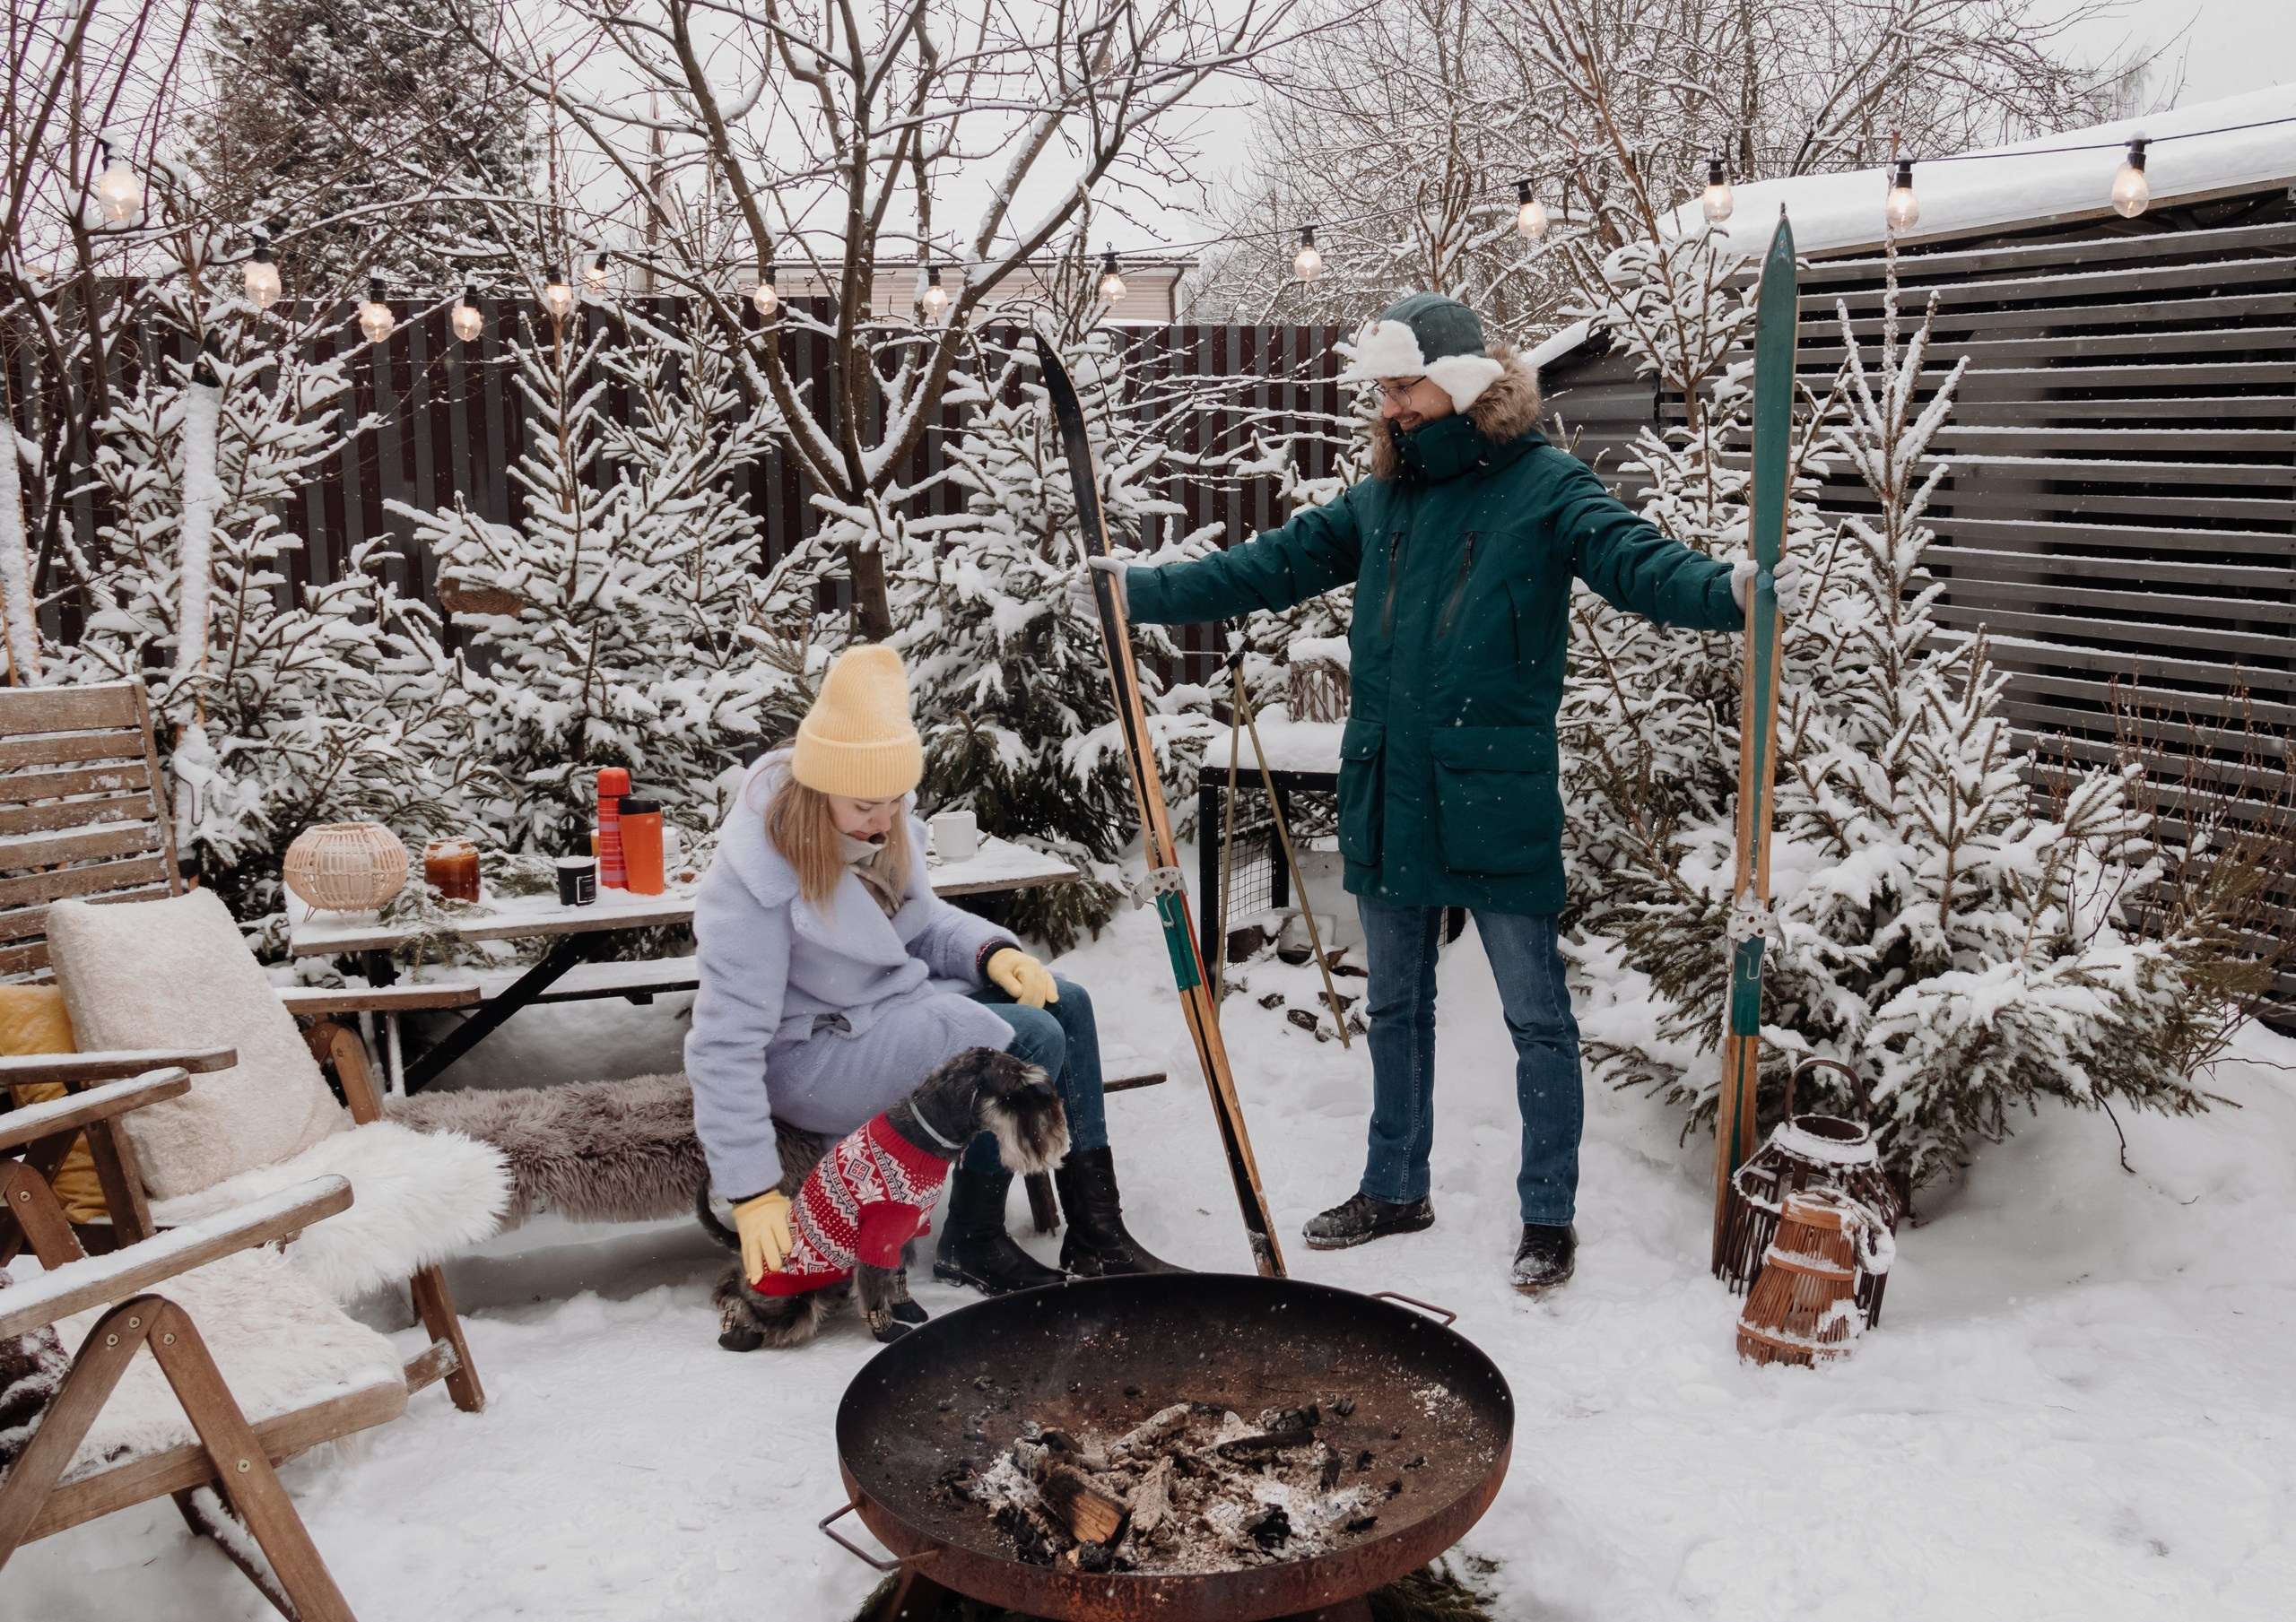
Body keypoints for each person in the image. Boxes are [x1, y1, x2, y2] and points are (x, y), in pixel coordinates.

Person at [1067, 292, 1802, 1294]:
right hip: (1390, 784)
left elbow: (1634, 563)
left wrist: (1727, 592)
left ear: (1459, 385)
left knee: (1537, 1018)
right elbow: (1265, 567)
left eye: (1403, 386)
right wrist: (1134, 592)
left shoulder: (1547, 489)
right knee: (1396, 1007)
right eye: (1381, 390)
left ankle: (1548, 1214)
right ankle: (1392, 1184)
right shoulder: (1380, 503)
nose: (1389, 407)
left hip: (1493, 790)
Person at [685, 644, 1176, 1309]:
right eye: (866, 805)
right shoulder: (754, 880)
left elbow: (924, 922)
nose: (885, 821)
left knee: (1068, 1001)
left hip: (890, 1014)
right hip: (812, 1056)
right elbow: (724, 1043)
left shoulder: (878, 824)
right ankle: (971, 1236)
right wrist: (750, 1193)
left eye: (893, 801)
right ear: (819, 786)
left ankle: (1097, 1230)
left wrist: (991, 953)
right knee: (1025, 1038)